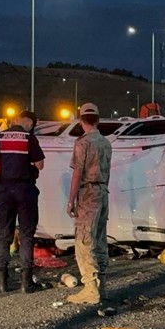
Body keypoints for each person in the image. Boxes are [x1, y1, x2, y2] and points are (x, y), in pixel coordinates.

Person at [0, 108, 45, 293]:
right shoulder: (29, 138)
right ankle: (25, 283)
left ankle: (2, 282)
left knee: (4, 234)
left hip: (4, 189)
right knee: (27, 234)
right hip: (25, 189)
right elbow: (40, 164)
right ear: (28, 122)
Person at [65, 103, 112, 305]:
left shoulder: (82, 143)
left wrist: (71, 200)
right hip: (103, 192)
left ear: (81, 120)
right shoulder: (105, 143)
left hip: (88, 193)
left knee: (84, 241)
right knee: (100, 239)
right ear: (98, 120)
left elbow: (77, 173)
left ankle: (90, 288)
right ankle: (102, 285)